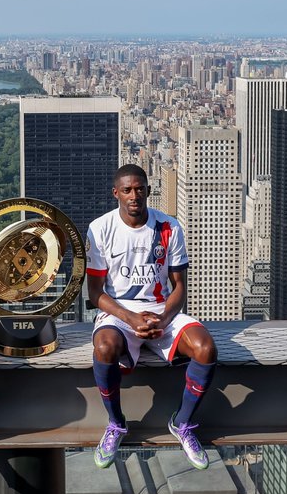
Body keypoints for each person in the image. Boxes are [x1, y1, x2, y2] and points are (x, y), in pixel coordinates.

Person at [85, 164, 218, 470]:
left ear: (148, 190)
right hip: (120, 312)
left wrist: (164, 319)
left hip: (160, 309)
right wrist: (131, 319)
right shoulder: (100, 228)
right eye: (127, 190)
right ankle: (116, 423)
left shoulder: (169, 226)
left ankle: (182, 423)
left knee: (205, 349)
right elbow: (95, 293)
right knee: (104, 348)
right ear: (116, 193)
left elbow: (179, 287)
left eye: (140, 189)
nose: (134, 195)